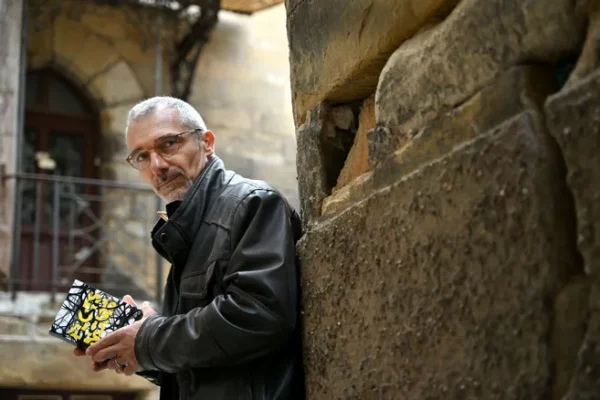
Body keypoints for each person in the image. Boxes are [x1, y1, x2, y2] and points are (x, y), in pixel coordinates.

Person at [73, 96, 305, 399]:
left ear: (206, 142)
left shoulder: (253, 202)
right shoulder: (190, 229)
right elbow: (206, 363)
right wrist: (136, 349)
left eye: (169, 144)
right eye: (141, 156)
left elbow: (260, 315)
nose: (157, 166)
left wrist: (148, 339)